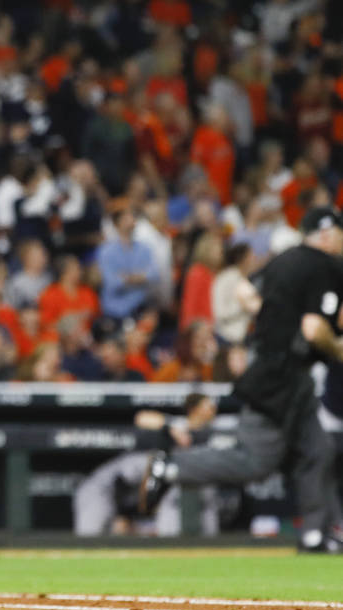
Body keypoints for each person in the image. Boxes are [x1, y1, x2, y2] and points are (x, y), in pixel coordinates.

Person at [140, 207, 343, 553]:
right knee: (255, 461)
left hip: (278, 367)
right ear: (326, 234)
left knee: (318, 450)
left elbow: (245, 293)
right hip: (280, 376)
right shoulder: (326, 265)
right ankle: (172, 466)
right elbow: (314, 329)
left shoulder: (285, 259)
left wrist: (276, 320)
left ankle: (316, 535)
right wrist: (338, 350)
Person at [74, 393, 221, 537]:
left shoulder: (214, 429)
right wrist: (123, 515)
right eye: (208, 406)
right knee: (90, 538)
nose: (213, 409)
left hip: (127, 497)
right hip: (100, 491)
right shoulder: (151, 455)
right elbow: (142, 418)